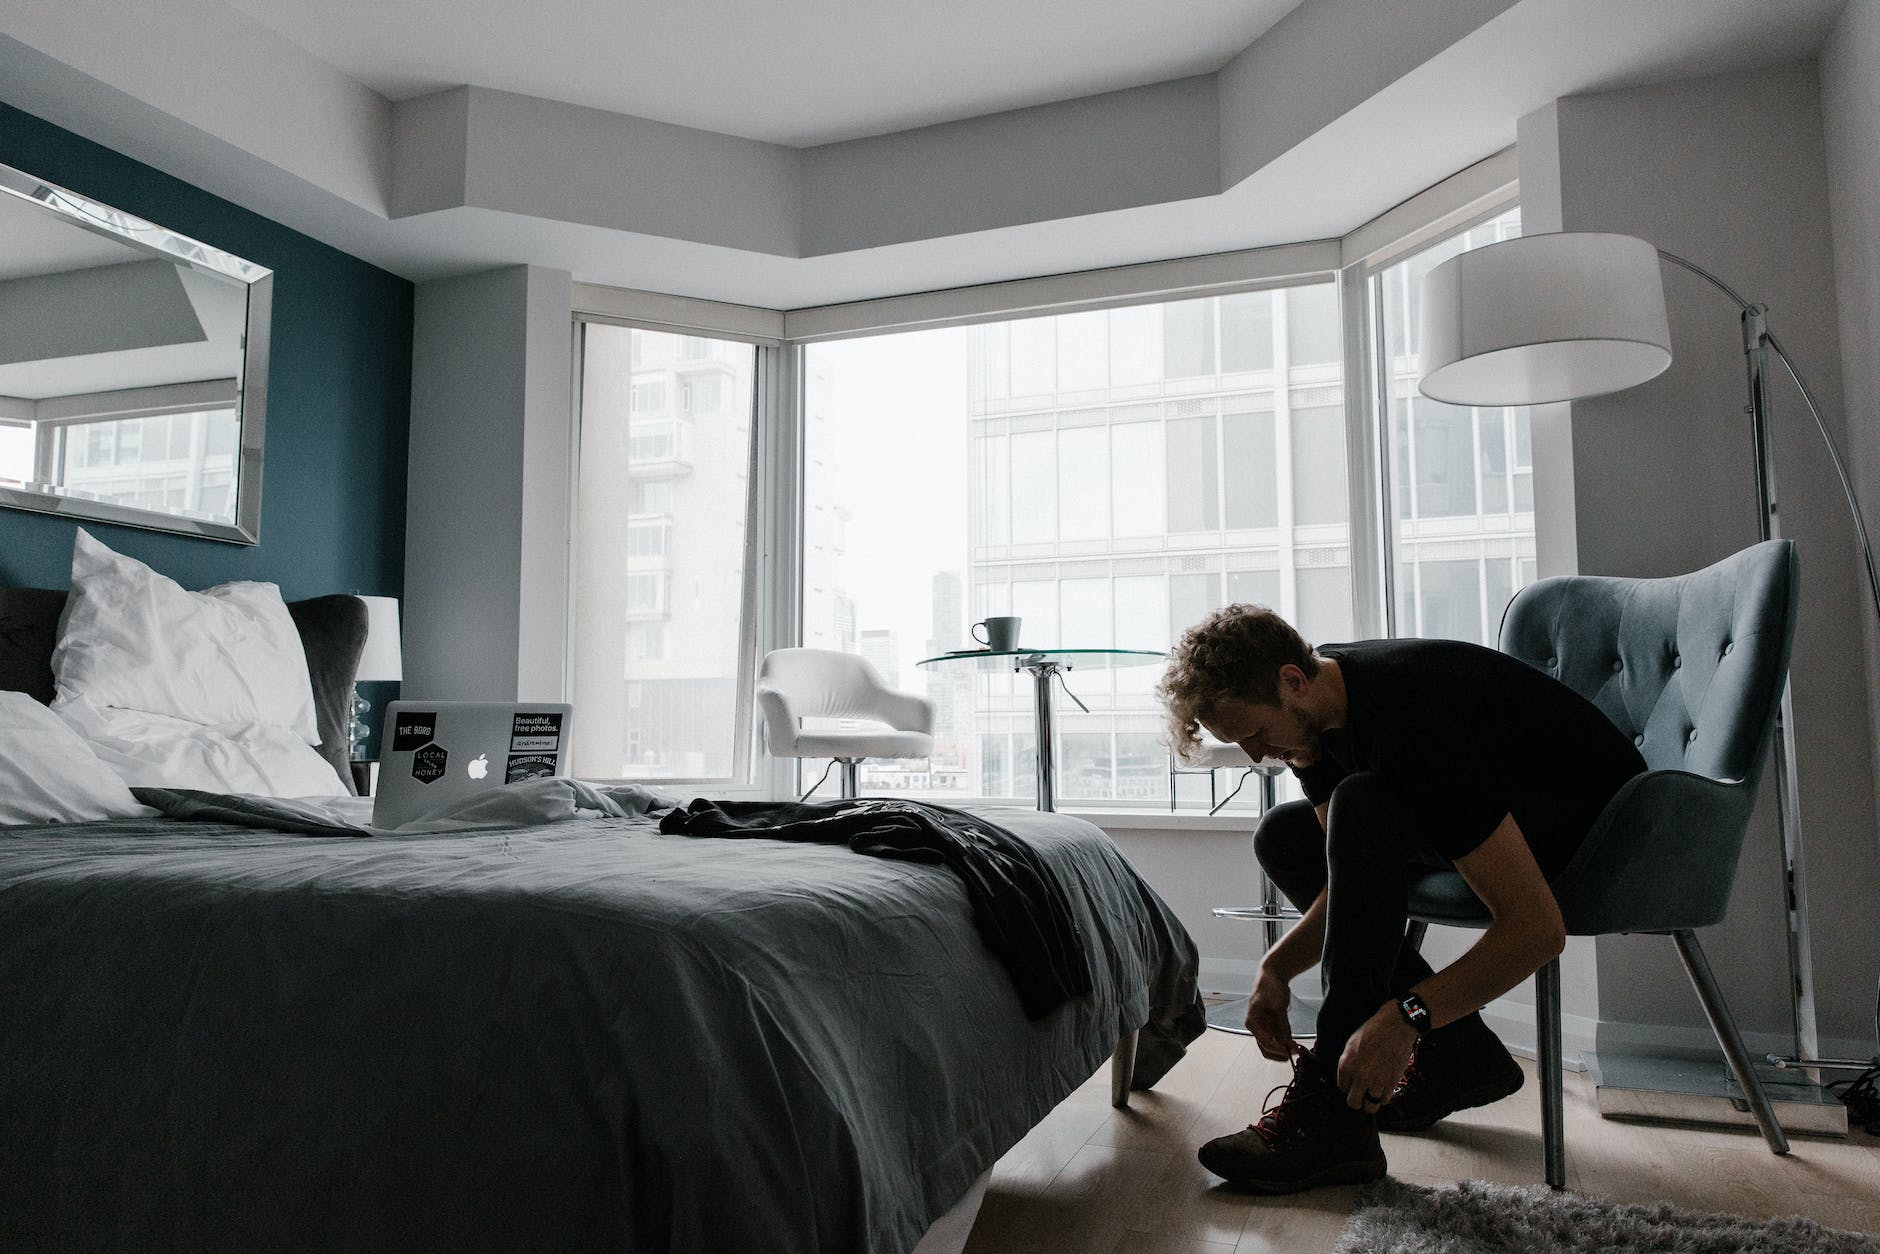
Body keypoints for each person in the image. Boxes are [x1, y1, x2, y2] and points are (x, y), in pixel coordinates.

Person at [1158, 604, 1646, 1194]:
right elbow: (1348, 877)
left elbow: (1536, 930)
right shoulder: (1314, 729)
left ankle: (1338, 1120)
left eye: (1257, 734)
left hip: (1605, 826)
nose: (1258, 756)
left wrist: (1407, 1017)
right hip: (1487, 801)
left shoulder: (1411, 720)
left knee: (1363, 804)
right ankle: (1461, 1051)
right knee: (1285, 838)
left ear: (1292, 681)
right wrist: (1277, 967)